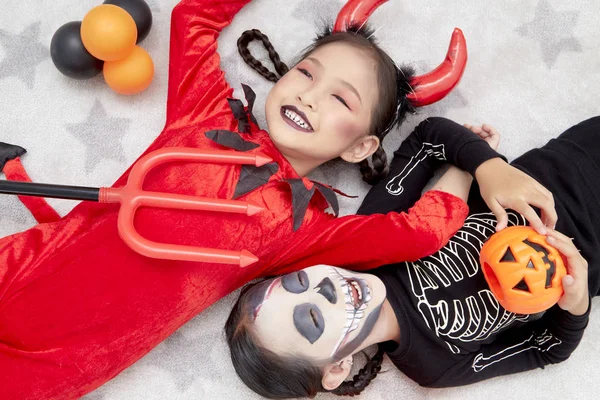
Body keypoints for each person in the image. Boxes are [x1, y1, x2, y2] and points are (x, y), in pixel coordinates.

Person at [0, 1, 553, 398]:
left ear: (361, 146)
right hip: (23, 263)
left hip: (64, 355)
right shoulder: (207, 115)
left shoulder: (306, 227)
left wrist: (467, 161)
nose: (309, 94)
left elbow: (420, 231)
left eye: (339, 97)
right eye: (305, 73)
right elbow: (192, 18)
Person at [225, 116, 599, 398]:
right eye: (312, 318)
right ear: (337, 368)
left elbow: (428, 137)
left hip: (574, 165)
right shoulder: (434, 366)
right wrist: (577, 302)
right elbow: (546, 349)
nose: (322, 288)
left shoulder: (369, 238)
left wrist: (482, 165)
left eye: (299, 281)